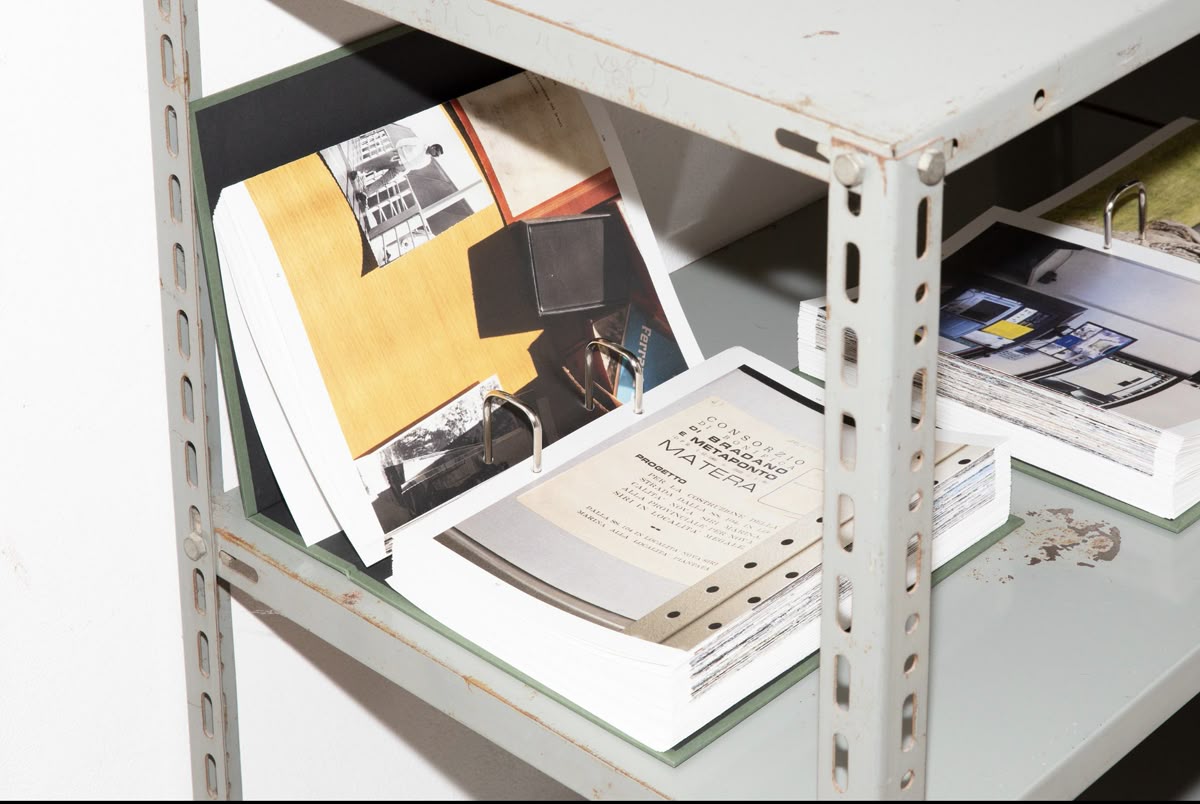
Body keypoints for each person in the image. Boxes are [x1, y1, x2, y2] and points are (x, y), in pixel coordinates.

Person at [348, 128, 445, 199]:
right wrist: (397, 152)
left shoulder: (427, 160)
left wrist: (404, 169)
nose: (435, 155)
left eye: (437, 156)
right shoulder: (419, 142)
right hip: (396, 156)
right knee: (375, 164)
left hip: (402, 168)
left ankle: (365, 194)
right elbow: (403, 142)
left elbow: (416, 167)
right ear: (433, 147)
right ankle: (357, 172)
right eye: (436, 153)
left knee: (384, 181)